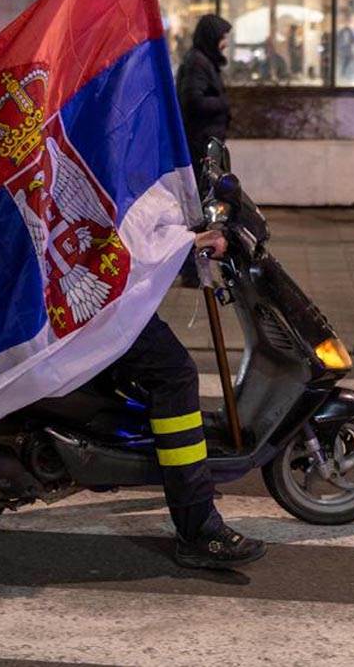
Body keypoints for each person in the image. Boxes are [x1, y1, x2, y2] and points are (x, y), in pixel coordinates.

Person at [112, 228, 266, 570]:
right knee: (174, 375)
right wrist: (184, 244)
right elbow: (117, 235)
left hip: (80, 297)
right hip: (99, 306)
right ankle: (197, 527)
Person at [176, 14, 232, 194]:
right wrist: (223, 103)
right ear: (212, 38)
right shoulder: (198, 63)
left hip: (207, 142)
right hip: (201, 144)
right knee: (203, 192)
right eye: (222, 38)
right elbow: (193, 101)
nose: (225, 43)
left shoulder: (205, 61)